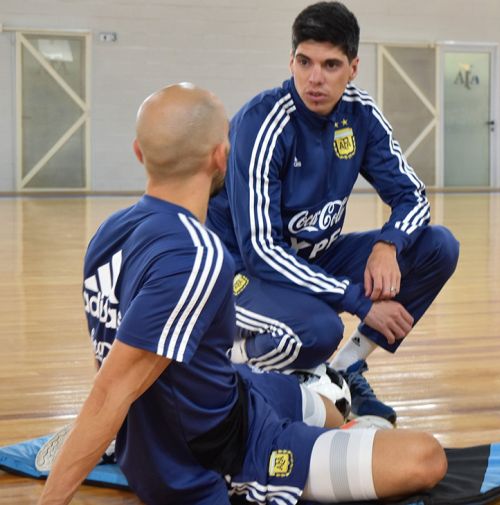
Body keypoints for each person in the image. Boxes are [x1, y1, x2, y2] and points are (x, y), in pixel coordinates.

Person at [38, 83, 446, 505]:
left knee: (330, 408)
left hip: (228, 395)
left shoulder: (110, 232)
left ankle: (330, 417)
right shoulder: (199, 254)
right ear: (221, 156)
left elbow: (105, 354)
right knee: (426, 458)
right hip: (217, 452)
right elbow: (111, 390)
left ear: (139, 153)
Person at [207, 1, 459, 425]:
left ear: (353, 67)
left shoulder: (360, 115)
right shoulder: (262, 123)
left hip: (309, 258)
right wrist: (358, 301)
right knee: (320, 328)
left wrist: (388, 243)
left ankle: (344, 371)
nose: (315, 78)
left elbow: (413, 197)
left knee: (438, 246)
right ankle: (228, 372)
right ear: (291, 60)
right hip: (240, 271)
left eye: (331, 64)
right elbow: (260, 250)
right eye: (304, 62)